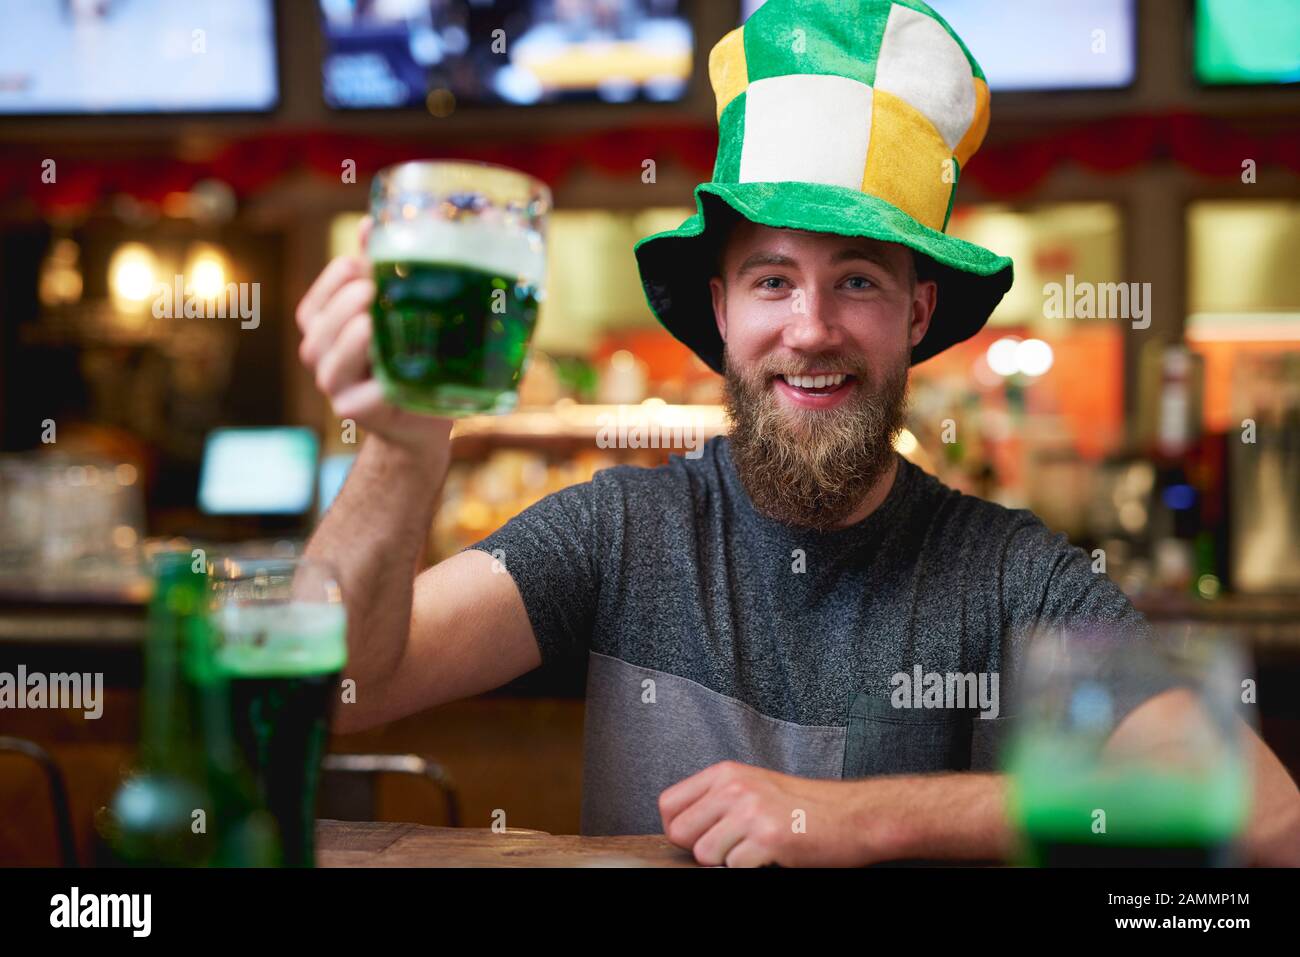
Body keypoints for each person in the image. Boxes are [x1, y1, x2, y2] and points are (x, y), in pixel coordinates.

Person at [295, 0, 1300, 866]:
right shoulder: (620, 532)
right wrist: (402, 447)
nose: (810, 327)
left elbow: (1264, 815)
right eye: (772, 278)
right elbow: (336, 692)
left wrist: (867, 820)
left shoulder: (1010, 575)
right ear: (721, 311)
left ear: (914, 316)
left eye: (856, 279)